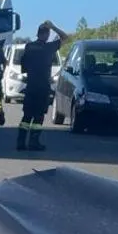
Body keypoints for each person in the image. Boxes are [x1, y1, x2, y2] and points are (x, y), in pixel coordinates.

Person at [17, 20, 68, 151]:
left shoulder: (29, 47)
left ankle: (21, 142)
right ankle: (34, 142)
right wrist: (54, 26)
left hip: (31, 86)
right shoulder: (49, 47)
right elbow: (65, 37)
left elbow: (24, 65)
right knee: (39, 116)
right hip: (42, 87)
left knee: (27, 116)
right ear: (46, 34)